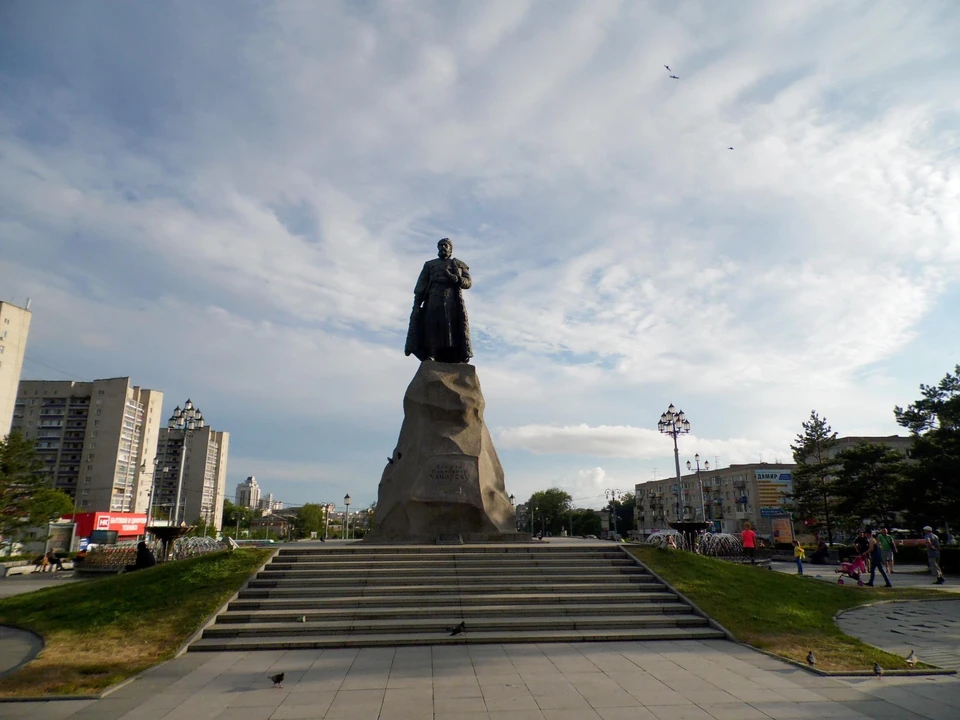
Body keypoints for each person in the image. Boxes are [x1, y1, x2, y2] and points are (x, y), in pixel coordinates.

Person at [404, 238, 473, 363]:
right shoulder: (430, 265)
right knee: (432, 325)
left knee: (452, 326)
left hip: (452, 300)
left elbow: (468, 283)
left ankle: (455, 354)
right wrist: (416, 303)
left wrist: (457, 279)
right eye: (440, 245)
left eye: (445, 245)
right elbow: (421, 285)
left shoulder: (459, 264)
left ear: (451, 248)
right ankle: (432, 353)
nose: (443, 248)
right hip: (433, 298)